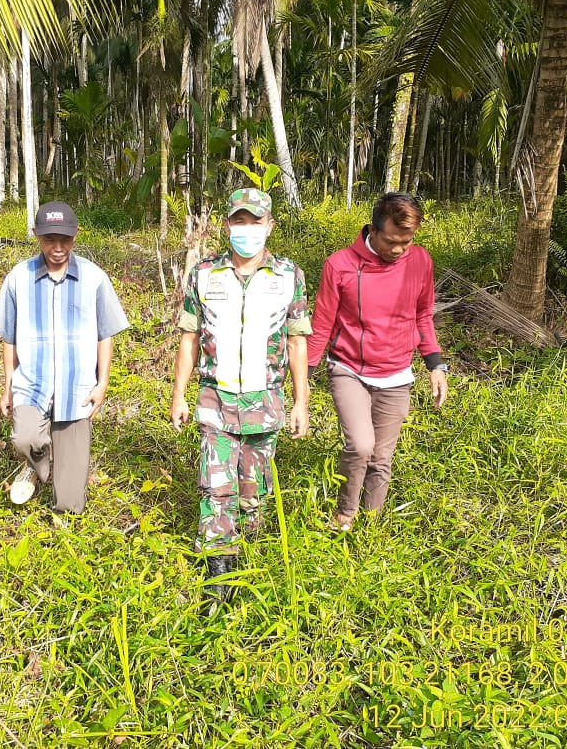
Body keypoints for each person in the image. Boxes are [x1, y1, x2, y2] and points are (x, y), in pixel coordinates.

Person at [170, 188, 311, 606]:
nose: (246, 229)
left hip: (265, 400)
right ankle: (218, 572)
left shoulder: (288, 275)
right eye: (239, 221)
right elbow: (189, 338)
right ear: (228, 225)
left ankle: (245, 556)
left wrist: (302, 402)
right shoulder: (205, 274)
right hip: (216, 399)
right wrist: (178, 395)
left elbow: (298, 341)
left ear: (269, 225)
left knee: (253, 489)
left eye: (255, 221)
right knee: (215, 487)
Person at [307, 192, 448, 531]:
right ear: (373, 229)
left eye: (407, 241)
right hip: (349, 368)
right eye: (392, 241)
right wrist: (302, 378)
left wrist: (435, 365)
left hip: (397, 372)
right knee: (360, 445)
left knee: (381, 457)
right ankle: (345, 513)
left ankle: (371, 526)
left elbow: (423, 315)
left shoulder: (421, 261)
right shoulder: (339, 265)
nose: (399, 250)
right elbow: (323, 322)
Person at [0, 201, 130, 513]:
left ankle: (61, 496)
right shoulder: (18, 278)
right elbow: (8, 338)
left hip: (75, 392)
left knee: (69, 503)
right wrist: (8, 386)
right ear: (36, 234)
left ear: (76, 236)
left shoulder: (93, 278)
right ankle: (40, 467)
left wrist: (102, 383)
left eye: (65, 239)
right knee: (25, 438)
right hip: (31, 385)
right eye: (50, 239)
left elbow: (105, 334)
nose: (58, 247)